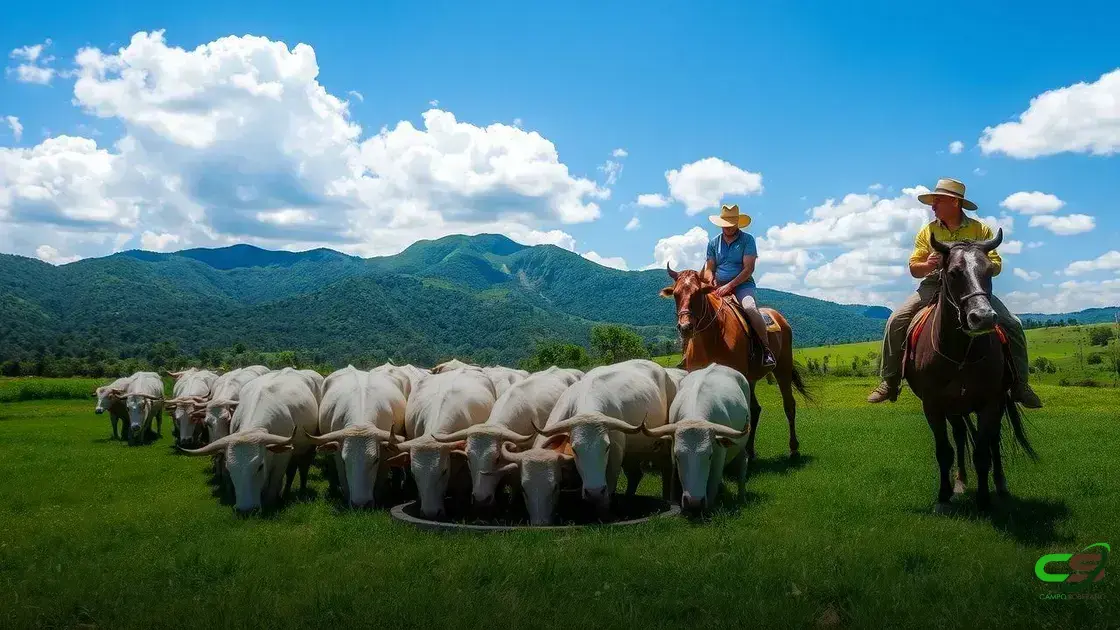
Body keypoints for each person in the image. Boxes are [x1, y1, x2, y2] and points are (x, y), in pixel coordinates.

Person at [867, 177, 1042, 408]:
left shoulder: (980, 229)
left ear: (955, 203)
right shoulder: (927, 231)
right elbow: (914, 269)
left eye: (938, 200)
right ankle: (889, 381)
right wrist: (929, 265)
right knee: (895, 320)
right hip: (933, 285)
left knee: (1013, 324)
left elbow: (995, 265)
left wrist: (976, 262)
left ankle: (1021, 384)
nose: (933, 206)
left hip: (972, 287)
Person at [703, 203, 777, 368]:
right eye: (725, 225)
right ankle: (693, 351)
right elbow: (709, 268)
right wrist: (710, 279)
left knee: (749, 307)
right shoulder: (713, 243)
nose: (728, 229)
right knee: (698, 309)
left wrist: (729, 286)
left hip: (742, 285)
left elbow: (748, 269)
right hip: (717, 287)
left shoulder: (747, 240)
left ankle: (766, 350)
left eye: (731, 225)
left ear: (737, 223)